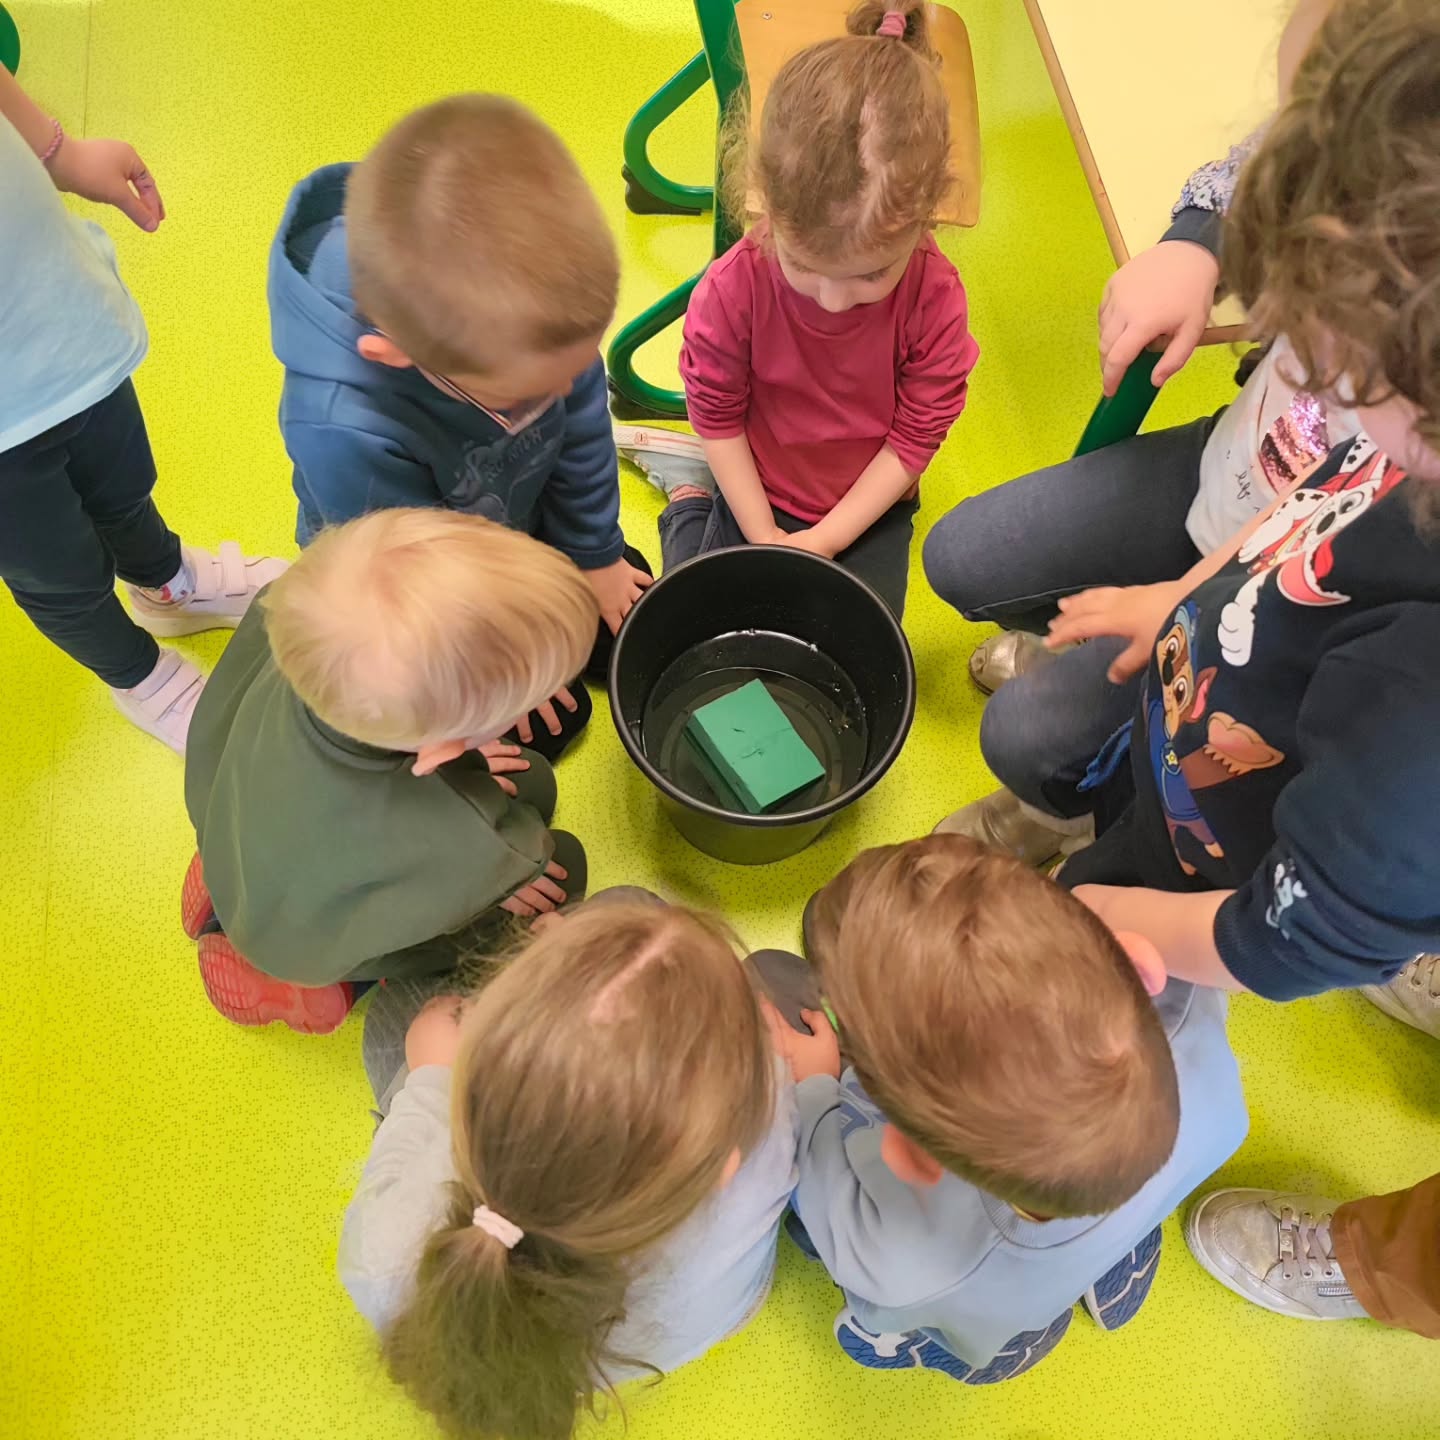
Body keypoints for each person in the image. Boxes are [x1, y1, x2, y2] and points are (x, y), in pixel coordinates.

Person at [1038, 0, 1440, 1008]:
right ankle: (1085, 828)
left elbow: (1285, 940)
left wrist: (1088, 923)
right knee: (1113, 808)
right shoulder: (1407, 450)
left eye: (1336, 355)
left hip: (1209, 869)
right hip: (1196, 708)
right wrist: (1184, 596)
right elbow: (1326, 503)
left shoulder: (1415, 751)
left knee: (1089, 911)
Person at [921, 0, 1341, 861]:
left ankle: (1071, 806)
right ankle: (1089, 727)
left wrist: (1188, 609)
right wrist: (1200, 243)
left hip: (1288, 610)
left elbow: (1345, 553)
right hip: (1229, 472)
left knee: (1025, 736)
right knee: (963, 556)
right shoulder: (1368, 118)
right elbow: (1262, 163)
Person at [766, 835, 1246, 1381]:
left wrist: (814, 1086)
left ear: (908, 1154)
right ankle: (1108, 1253)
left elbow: (836, 1200)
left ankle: (948, 1347)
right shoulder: (1193, 1014)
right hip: (1132, 1191)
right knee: (1106, 1222)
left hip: (959, 1293)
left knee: (768, 977)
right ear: (1137, 959)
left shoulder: (898, 1258)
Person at [267, 93, 653, 759]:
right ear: (398, 356)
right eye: (538, 388)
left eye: (579, 361)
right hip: (415, 584)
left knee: (631, 606)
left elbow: (583, 430)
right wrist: (503, 671)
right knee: (551, 722)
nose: (571, 388)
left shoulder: (531, 321)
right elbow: (419, 591)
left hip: (510, 512)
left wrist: (594, 554)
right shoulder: (344, 433)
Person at [343, 895, 799, 1440]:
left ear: (470, 1094)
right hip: (686, 1326)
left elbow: (433, 1080)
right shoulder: (765, 1128)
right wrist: (791, 1068)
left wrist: (432, 1075)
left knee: (392, 1025)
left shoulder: (387, 1256)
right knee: (661, 919)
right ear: (723, 1167)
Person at [618, 0, 978, 620]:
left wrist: (824, 541)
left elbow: (917, 435)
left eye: (871, 274)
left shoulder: (934, 296)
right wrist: (762, 532)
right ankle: (689, 495)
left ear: (924, 221)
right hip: (753, 484)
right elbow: (719, 413)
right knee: (694, 618)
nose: (835, 300)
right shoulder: (735, 288)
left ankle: (692, 492)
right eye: (805, 268)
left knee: (852, 641)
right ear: (767, 210)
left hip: (868, 509)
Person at [180, 508, 597, 1034]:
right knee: (565, 871)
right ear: (438, 754)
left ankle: (229, 889)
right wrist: (501, 883)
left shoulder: (296, 623)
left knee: (530, 778)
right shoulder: (458, 836)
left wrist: (462, 757)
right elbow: (486, 857)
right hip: (309, 942)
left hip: (239, 816)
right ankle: (304, 981)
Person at [0, 64, 285, 753]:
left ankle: (166, 585)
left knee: (123, 486)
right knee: (60, 576)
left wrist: (56, 153)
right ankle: (138, 675)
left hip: (66, 325)